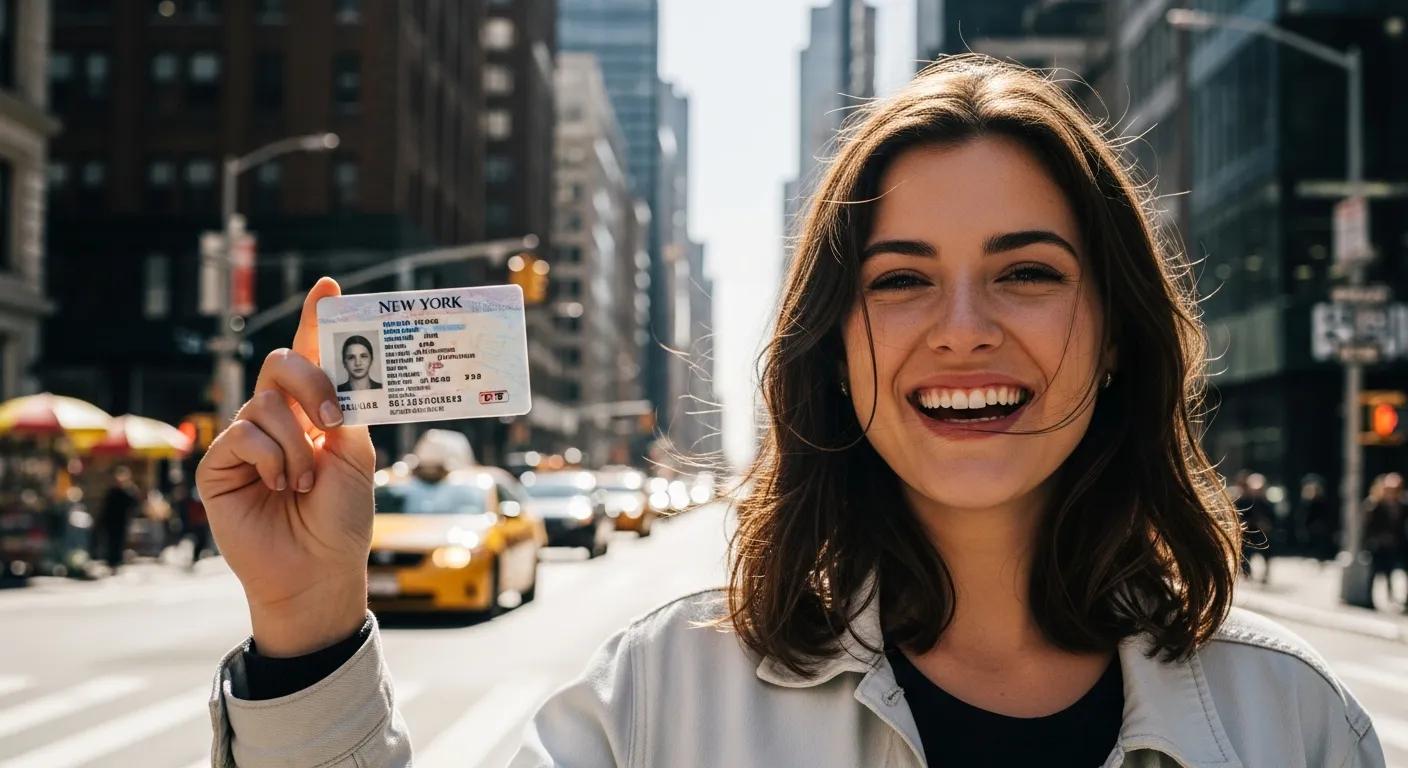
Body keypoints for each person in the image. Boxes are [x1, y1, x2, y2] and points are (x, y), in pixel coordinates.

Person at [196, 56, 1385, 767]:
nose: (961, 327)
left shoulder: (1288, 720)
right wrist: (308, 621)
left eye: (1027, 272)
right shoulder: (664, 695)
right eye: (900, 279)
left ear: (1117, 331)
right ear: (834, 348)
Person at [1363, 471, 1406, 610]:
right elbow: (1368, 527)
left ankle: (1393, 599)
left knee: (1391, 572)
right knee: (1375, 572)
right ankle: (1369, 600)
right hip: (1378, 545)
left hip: (1395, 544)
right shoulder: (1374, 504)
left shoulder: (1402, 505)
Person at [97, 465, 139, 575]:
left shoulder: (128, 491)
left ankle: (116, 563)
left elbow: (134, 504)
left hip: (122, 522)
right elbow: (105, 508)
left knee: (119, 543)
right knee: (111, 543)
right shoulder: (112, 491)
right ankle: (111, 564)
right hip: (111, 522)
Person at [1237, 472, 1278, 583]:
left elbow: (1273, 518)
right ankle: (1246, 572)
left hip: (1263, 533)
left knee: (1267, 551)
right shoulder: (1243, 501)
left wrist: (1267, 524)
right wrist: (1249, 523)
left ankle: (1265, 574)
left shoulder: (1267, 503)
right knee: (1245, 552)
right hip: (1249, 531)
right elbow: (1240, 517)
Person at [1296, 473, 1339, 563]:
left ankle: (1320, 559)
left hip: (1320, 528)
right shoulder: (1305, 502)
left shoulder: (1322, 502)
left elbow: (1326, 515)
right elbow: (1302, 517)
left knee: (1320, 545)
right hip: (1308, 528)